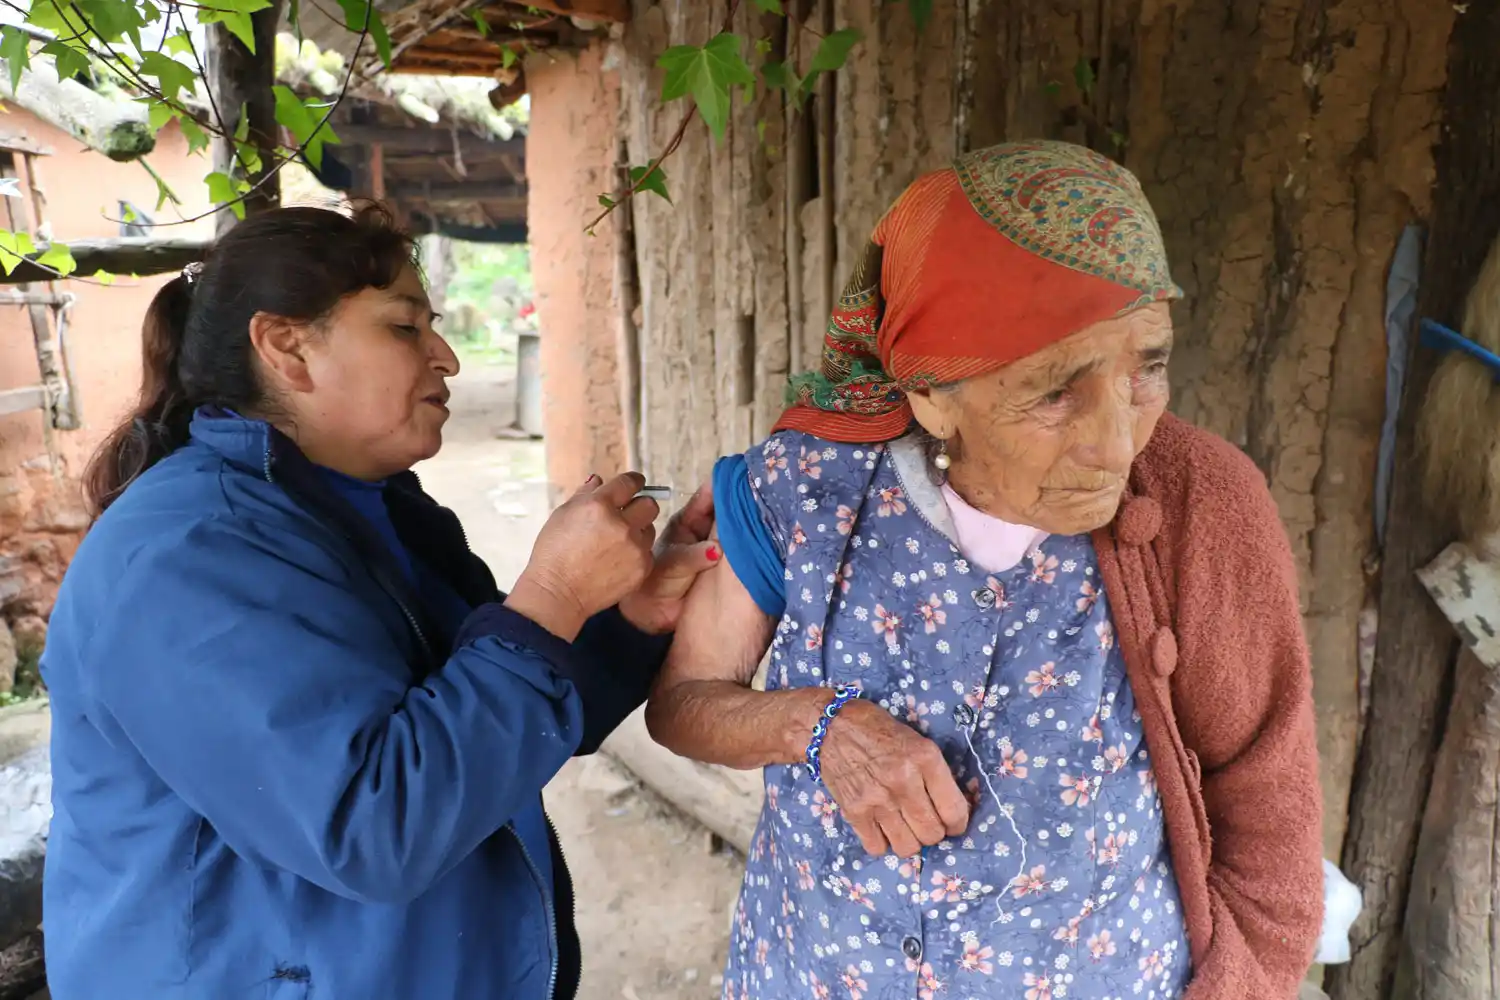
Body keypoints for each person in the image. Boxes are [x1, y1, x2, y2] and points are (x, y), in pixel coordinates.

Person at [647, 140, 1324, 999]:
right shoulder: (811, 488)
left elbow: (1269, 798)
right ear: (930, 391)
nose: (1117, 445)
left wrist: (1241, 987)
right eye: (1053, 391)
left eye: (1146, 368)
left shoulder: (1200, 504)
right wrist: (816, 727)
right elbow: (683, 703)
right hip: (814, 971)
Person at [40, 204, 716, 1000]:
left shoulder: (377, 508)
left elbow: (492, 721)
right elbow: (375, 828)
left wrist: (632, 616)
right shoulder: (183, 555)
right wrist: (554, 594)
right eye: (405, 329)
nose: (449, 358)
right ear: (287, 348)